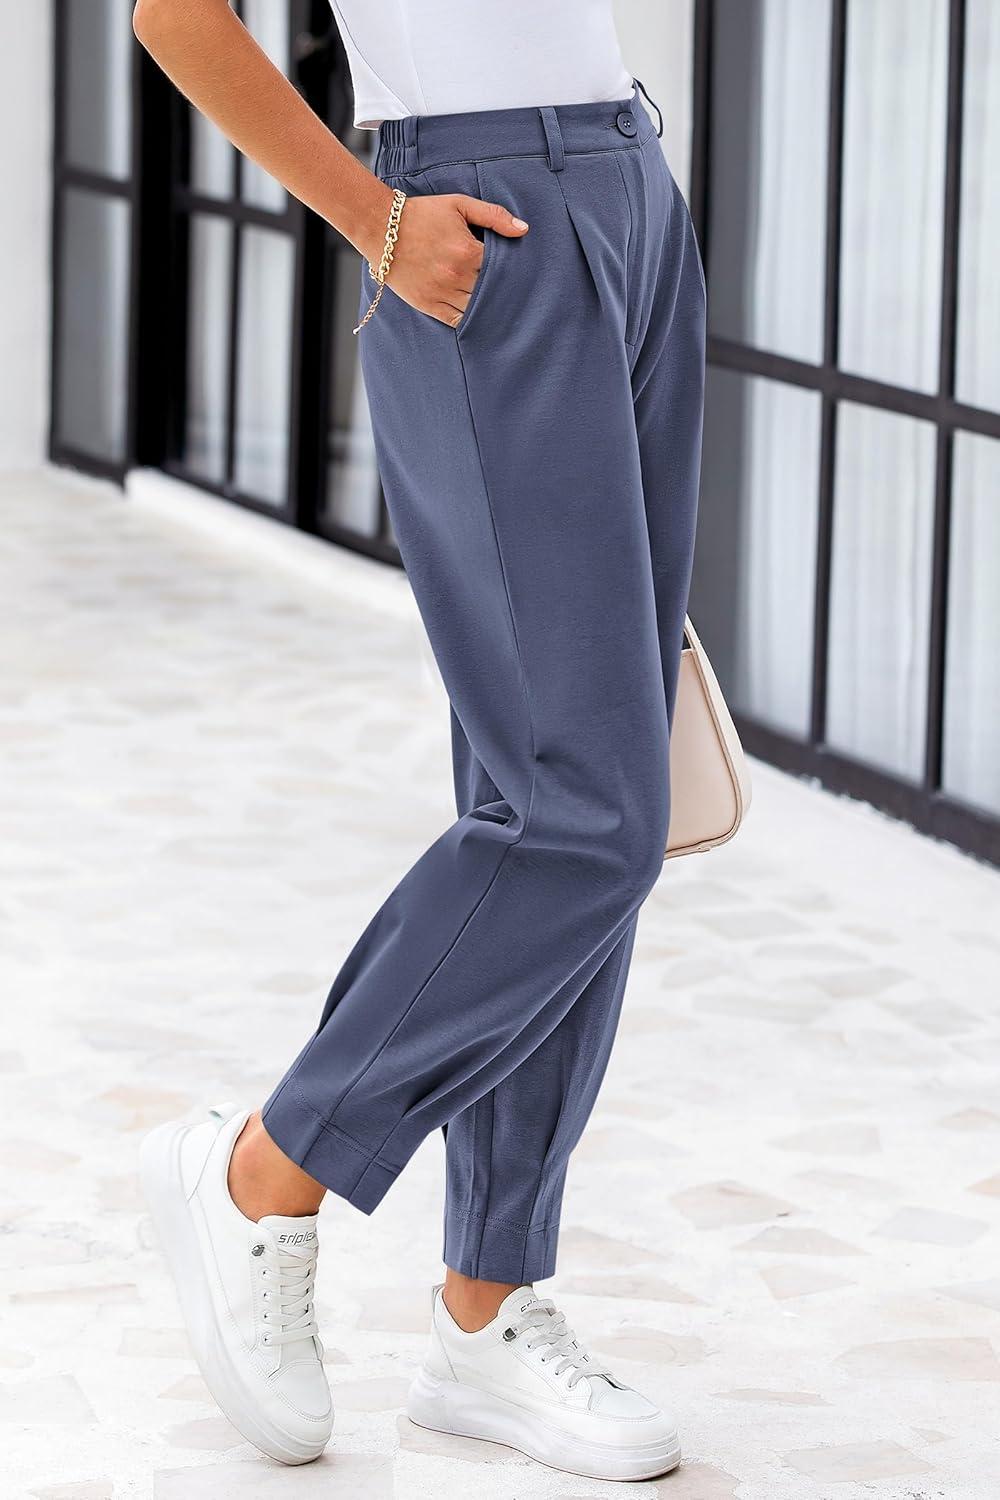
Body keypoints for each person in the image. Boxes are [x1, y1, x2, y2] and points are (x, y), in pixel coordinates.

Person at [133, 0, 705, 1481]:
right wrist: (377, 221)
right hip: (475, 220)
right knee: (589, 817)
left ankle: (485, 1310)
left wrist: (629, 194)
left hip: (630, 188)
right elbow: (172, 15)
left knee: (565, 798)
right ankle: (264, 1169)